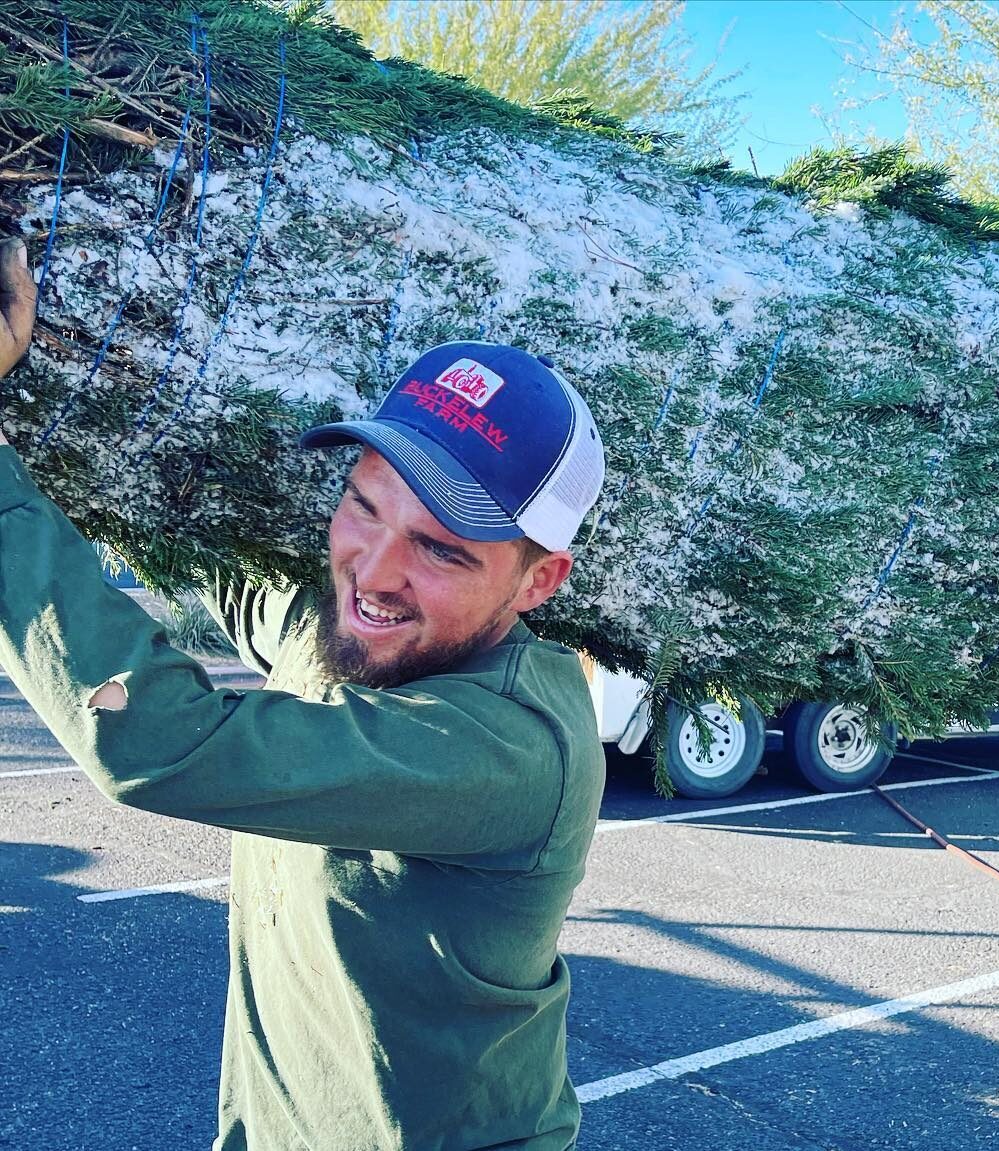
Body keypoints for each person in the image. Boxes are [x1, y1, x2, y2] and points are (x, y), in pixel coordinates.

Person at [0, 236, 607, 1150]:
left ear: (539, 581)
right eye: (364, 504)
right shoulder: (352, 637)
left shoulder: (511, 747)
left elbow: (161, 738)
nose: (374, 571)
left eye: (442, 549)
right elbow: (235, 578)